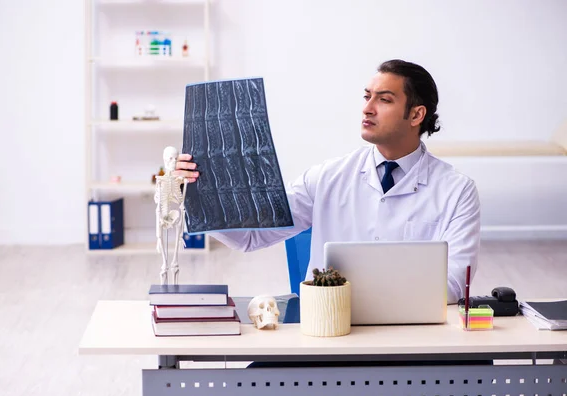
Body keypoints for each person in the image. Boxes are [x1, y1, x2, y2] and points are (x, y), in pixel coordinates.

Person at [174, 59, 480, 304]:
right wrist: (198, 192)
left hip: (413, 336)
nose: (367, 108)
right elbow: (250, 237)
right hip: (330, 329)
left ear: (416, 115)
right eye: (366, 96)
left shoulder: (456, 191)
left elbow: (454, 283)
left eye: (384, 99)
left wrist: (383, 298)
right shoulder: (326, 178)